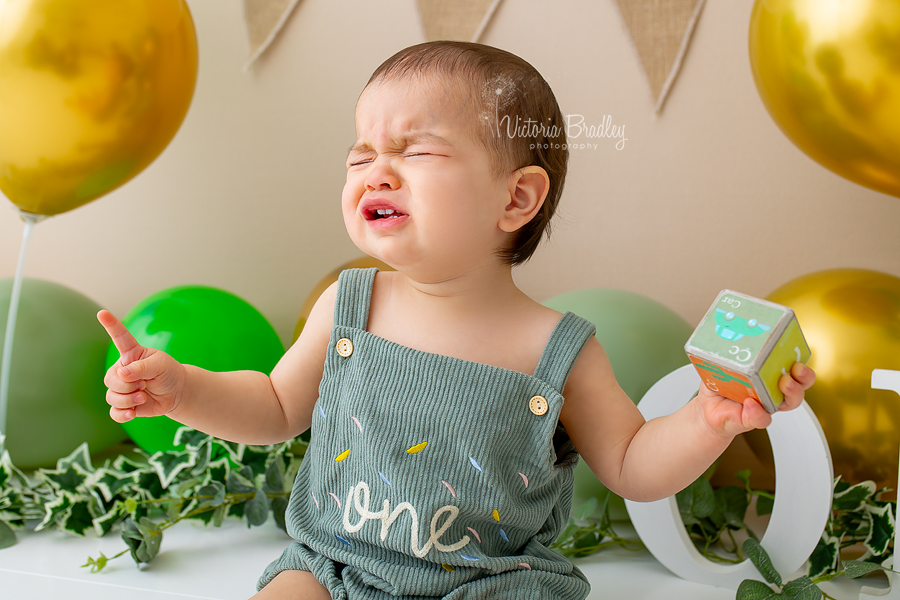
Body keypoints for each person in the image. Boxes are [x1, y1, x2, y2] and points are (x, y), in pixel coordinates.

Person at [97, 41, 815, 600]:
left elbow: (632, 465)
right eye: (362, 154)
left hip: (490, 581)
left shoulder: (556, 348)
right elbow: (278, 406)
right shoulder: (349, 306)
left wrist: (707, 419)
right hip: (334, 565)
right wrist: (185, 392)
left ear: (515, 199)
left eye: (416, 150)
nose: (376, 170)